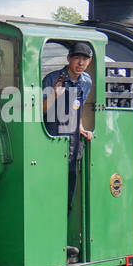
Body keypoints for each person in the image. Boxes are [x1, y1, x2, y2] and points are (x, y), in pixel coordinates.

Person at [42, 41, 94, 211]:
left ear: (90, 62)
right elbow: (38, 111)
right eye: (77, 58)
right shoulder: (51, 78)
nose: (81, 63)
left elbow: (78, 107)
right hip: (52, 138)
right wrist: (55, 95)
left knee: (69, 190)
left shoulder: (86, 81)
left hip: (72, 141)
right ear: (68, 59)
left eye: (84, 59)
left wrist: (80, 127)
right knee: (51, 188)